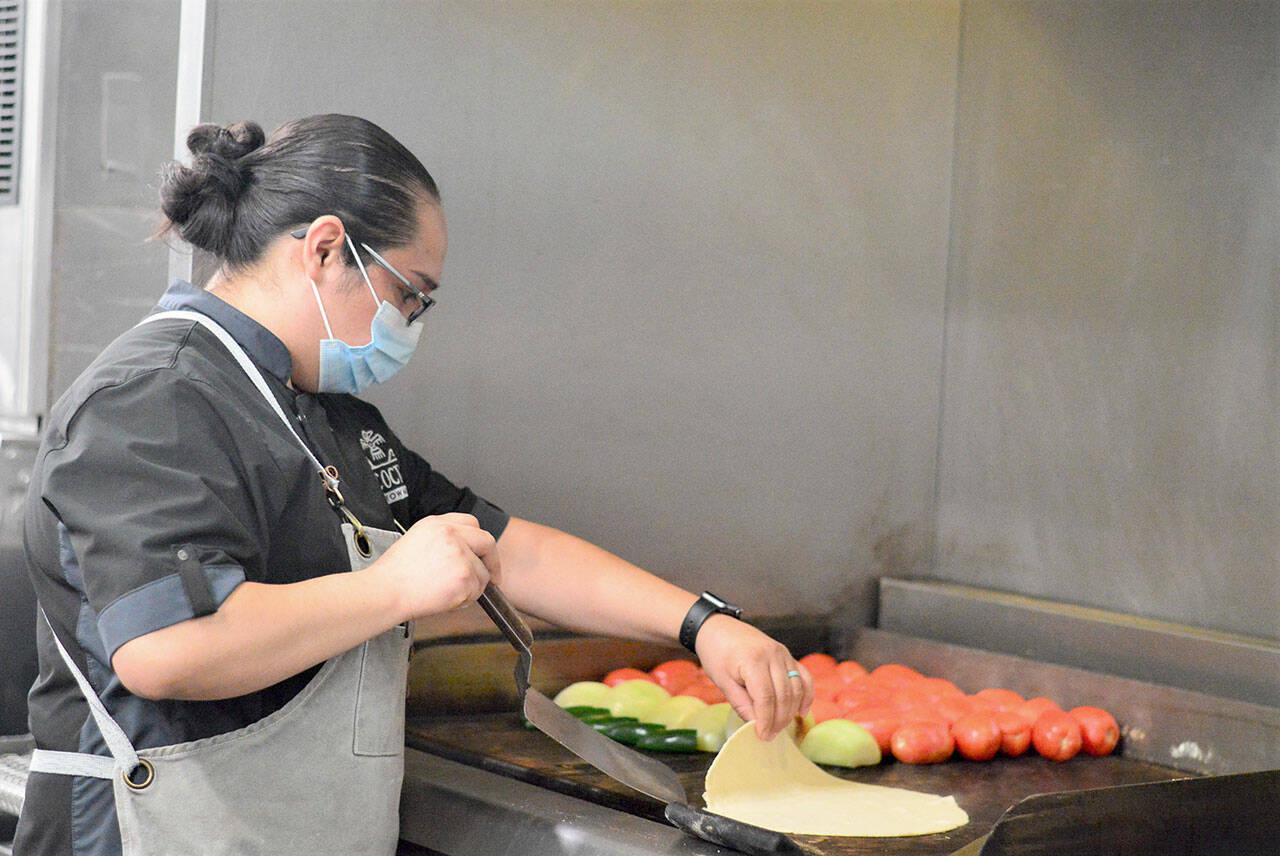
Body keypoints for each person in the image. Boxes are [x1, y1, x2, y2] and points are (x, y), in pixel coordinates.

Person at [17, 114, 814, 856]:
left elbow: (505, 551)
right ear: (325, 250)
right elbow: (167, 649)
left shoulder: (323, 416)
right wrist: (394, 587)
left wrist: (701, 624)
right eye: (409, 293)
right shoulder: (156, 396)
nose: (412, 322)